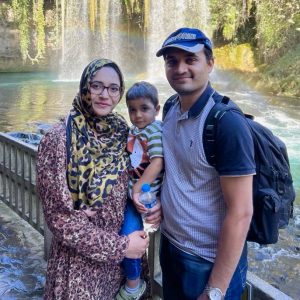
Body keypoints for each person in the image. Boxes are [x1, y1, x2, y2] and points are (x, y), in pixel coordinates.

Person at [36, 59, 161, 300]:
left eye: (113, 88)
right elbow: (61, 221)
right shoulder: (58, 139)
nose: (105, 95)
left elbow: (141, 172)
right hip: (80, 271)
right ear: (85, 87)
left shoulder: (121, 130)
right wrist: (122, 247)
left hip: (120, 268)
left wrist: (156, 203)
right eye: (97, 86)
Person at [156, 27, 255, 300]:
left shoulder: (226, 123)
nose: (180, 68)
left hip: (207, 261)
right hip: (171, 247)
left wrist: (215, 290)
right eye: (172, 61)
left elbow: (242, 211)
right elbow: (176, 172)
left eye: (191, 59)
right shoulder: (171, 108)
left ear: (210, 64)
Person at [116, 81, 164, 300]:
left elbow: (157, 163)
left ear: (157, 109)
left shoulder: (154, 131)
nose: (137, 115)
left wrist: (135, 189)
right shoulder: (136, 130)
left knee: (130, 236)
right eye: (132, 110)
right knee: (128, 238)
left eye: (144, 109)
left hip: (145, 198)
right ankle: (134, 283)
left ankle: (134, 285)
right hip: (134, 199)